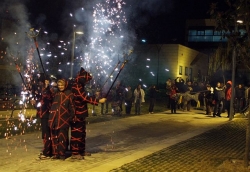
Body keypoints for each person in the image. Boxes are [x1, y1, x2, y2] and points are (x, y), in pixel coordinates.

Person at [71, 67, 106, 160]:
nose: (87, 82)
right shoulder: (77, 85)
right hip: (77, 113)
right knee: (76, 133)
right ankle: (75, 152)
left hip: (82, 112)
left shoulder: (80, 85)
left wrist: (95, 96)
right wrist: (98, 100)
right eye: (86, 80)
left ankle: (81, 150)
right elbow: (84, 98)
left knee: (82, 133)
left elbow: (86, 97)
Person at [48, 79, 75, 160]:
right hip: (54, 118)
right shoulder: (56, 94)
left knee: (62, 136)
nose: (60, 87)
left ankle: (62, 153)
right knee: (55, 137)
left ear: (65, 85)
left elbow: (72, 106)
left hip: (64, 119)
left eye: (62, 85)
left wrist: (71, 116)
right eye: (59, 85)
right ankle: (56, 153)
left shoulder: (69, 94)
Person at [33, 76, 54, 160]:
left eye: (43, 82)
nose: (41, 84)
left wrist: (47, 87)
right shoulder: (41, 91)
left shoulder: (50, 90)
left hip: (48, 115)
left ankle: (47, 152)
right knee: (45, 133)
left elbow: (49, 98)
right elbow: (40, 104)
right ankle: (47, 150)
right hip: (42, 115)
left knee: (47, 134)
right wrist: (35, 103)